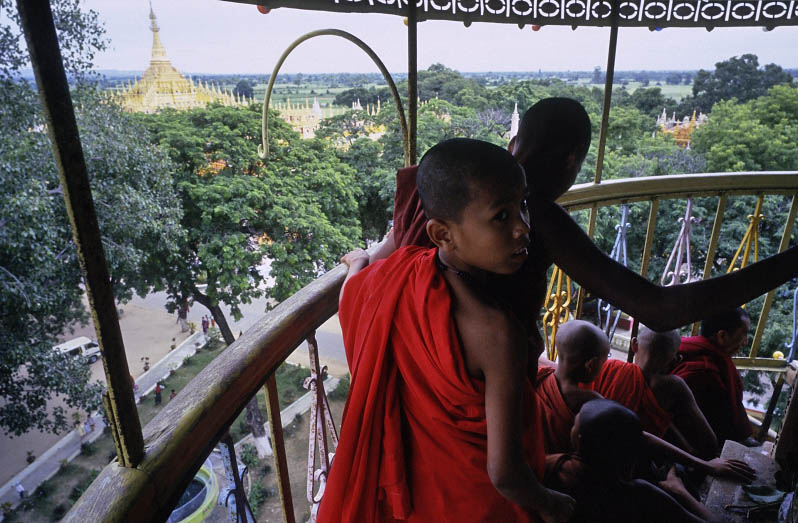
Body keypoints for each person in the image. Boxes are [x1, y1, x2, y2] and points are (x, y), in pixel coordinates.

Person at [372, 97, 798, 356]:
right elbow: (662, 311)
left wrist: (357, 264)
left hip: (427, 369)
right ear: (574, 158)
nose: (517, 225)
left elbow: (386, 254)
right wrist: (788, 263)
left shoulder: (450, 194)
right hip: (486, 383)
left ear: (513, 144)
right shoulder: (537, 214)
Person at [318, 139, 575, 523]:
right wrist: (552, 502)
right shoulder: (497, 332)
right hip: (480, 506)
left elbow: (352, 297)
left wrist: (360, 262)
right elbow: (505, 475)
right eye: (501, 216)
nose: (523, 228)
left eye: (521, 206)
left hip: (418, 495)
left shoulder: (400, 272)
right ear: (442, 234)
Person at [537, 322, 754, 483]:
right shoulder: (592, 401)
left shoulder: (543, 375)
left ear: (634, 346)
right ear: (591, 365)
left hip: (540, 464)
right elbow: (640, 437)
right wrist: (707, 466)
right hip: (590, 476)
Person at [547, 399, 713, 523]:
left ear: (579, 441)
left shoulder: (557, 472)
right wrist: (680, 491)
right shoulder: (638, 494)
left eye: (575, 422)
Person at [672, 308, 759, 447]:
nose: (745, 342)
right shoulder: (704, 371)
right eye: (743, 335)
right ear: (722, 336)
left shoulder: (704, 351)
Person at [632, 326, 718, 459]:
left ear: (634, 345)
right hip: (639, 463)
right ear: (676, 360)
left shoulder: (612, 368)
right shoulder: (674, 386)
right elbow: (710, 444)